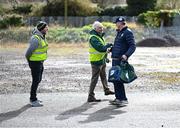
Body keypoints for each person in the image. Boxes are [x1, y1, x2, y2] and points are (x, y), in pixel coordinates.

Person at [110, 17, 136, 106]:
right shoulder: (119, 32)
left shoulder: (127, 32)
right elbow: (119, 45)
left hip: (120, 60)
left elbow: (132, 46)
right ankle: (118, 98)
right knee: (115, 79)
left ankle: (123, 99)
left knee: (119, 79)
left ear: (120, 23)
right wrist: (112, 49)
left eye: (116, 23)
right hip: (115, 60)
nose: (115, 24)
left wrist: (126, 55)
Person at [87, 21, 115, 102]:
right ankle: (90, 96)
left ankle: (106, 90)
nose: (101, 29)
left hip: (101, 60)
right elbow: (101, 48)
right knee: (94, 79)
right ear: (95, 28)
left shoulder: (99, 36)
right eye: (99, 28)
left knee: (103, 76)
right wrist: (108, 45)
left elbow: (103, 50)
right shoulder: (93, 38)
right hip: (96, 61)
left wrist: (105, 58)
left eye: (102, 27)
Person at [25, 21, 48, 107]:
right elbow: (28, 52)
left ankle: (34, 97)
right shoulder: (36, 38)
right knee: (35, 81)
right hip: (35, 63)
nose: (47, 29)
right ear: (41, 28)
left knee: (38, 80)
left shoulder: (42, 37)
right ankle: (33, 99)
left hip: (40, 62)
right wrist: (29, 61)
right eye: (46, 27)